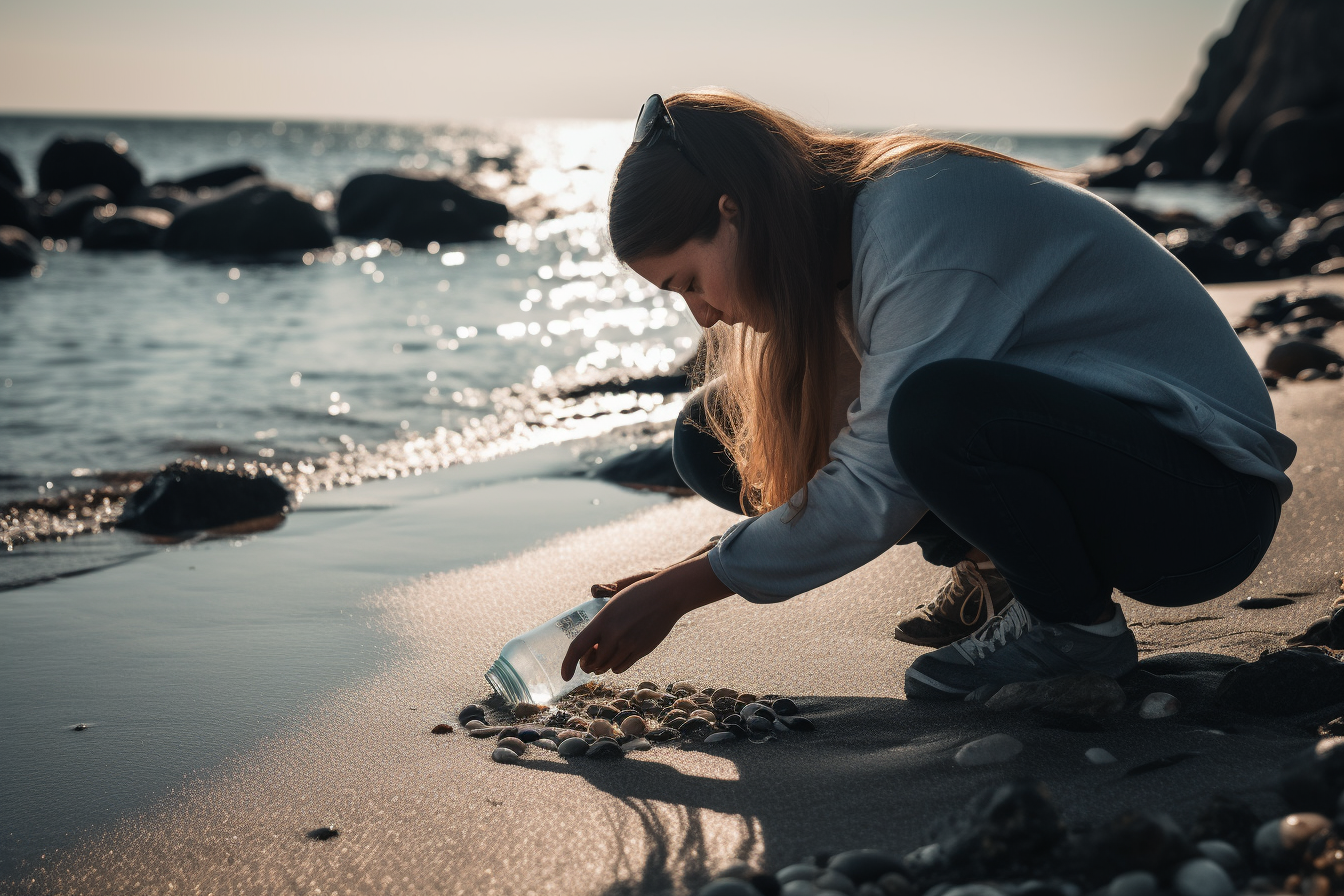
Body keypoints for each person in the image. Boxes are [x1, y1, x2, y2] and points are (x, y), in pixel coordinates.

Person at [560, 89, 1294, 699]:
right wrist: (687, 568)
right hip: (1106, 464)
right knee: (710, 433)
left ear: (733, 211)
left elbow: (883, 474)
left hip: (1199, 506)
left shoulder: (914, 219)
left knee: (935, 413)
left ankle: (1072, 632)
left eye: (689, 280)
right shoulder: (841, 243)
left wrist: (680, 592)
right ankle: (1005, 576)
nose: (704, 314)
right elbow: (860, 454)